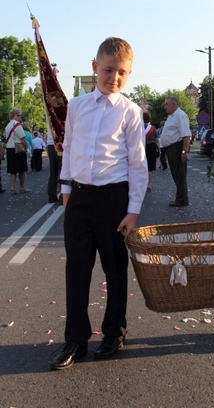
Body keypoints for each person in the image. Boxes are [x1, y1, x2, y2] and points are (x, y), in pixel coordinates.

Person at [49, 36, 148, 371]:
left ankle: (113, 333)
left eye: (122, 72)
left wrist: (133, 210)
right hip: (79, 197)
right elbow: (69, 149)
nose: (114, 78)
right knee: (76, 270)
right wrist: (65, 189)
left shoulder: (131, 112)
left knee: (115, 269)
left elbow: (137, 164)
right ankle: (74, 340)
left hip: (114, 200)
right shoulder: (76, 107)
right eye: (108, 70)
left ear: (129, 73)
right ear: (95, 68)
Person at [159, 96, 191, 207]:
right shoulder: (172, 116)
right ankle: (180, 198)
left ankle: (182, 200)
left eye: (167, 104)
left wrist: (184, 152)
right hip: (172, 148)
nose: (165, 107)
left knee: (179, 174)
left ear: (174, 104)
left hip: (177, 147)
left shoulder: (180, 115)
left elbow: (186, 135)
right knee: (176, 174)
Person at [5, 108, 31, 195]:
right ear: (13, 116)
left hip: (10, 148)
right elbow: (22, 138)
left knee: (12, 170)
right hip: (18, 149)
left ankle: (12, 188)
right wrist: (27, 147)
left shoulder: (8, 126)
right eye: (18, 115)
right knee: (22, 169)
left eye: (20, 115)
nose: (19, 117)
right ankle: (22, 186)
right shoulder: (17, 124)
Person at [143, 111, 160, 192]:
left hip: (141, 148)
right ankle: (148, 184)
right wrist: (159, 149)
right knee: (150, 168)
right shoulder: (153, 128)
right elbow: (157, 140)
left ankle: (141, 184)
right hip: (151, 148)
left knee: (142, 167)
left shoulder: (138, 127)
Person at [46, 122, 63, 203]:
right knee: (63, 171)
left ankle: (51, 195)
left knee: (53, 171)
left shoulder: (48, 111)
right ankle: (63, 195)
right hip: (59, 143)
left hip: (50, 144)